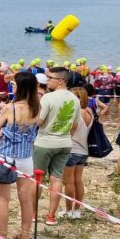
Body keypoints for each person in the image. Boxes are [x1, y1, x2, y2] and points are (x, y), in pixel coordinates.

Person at [0, 72, 39, 239]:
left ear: (20, 87)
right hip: (26, 157)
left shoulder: (10, 108)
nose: (12, 86)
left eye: (14, 84)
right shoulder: (36, 107)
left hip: (7, 156)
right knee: (25, 198)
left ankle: (2, 234)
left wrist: (4, 131)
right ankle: (25, 235)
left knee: (3, 198)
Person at [33, 67, 81, 226]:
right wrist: (66, 136)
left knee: (38, 179)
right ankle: (51, 216)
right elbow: (75, 125)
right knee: (57, 178)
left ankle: (33, 213)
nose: (47, 80)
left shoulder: (48, 97)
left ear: (60, 80)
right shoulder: (75, 99)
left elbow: (39, 121)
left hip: (45, 142)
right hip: (64, 142)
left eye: (50, 77)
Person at [60, 87, 93, 219]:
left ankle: (69, 210)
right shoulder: (89, 112)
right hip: (84, 150)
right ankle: (77, 209)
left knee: (68, 182)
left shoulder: (74, 112)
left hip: (71, 149)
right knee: (78, 180)